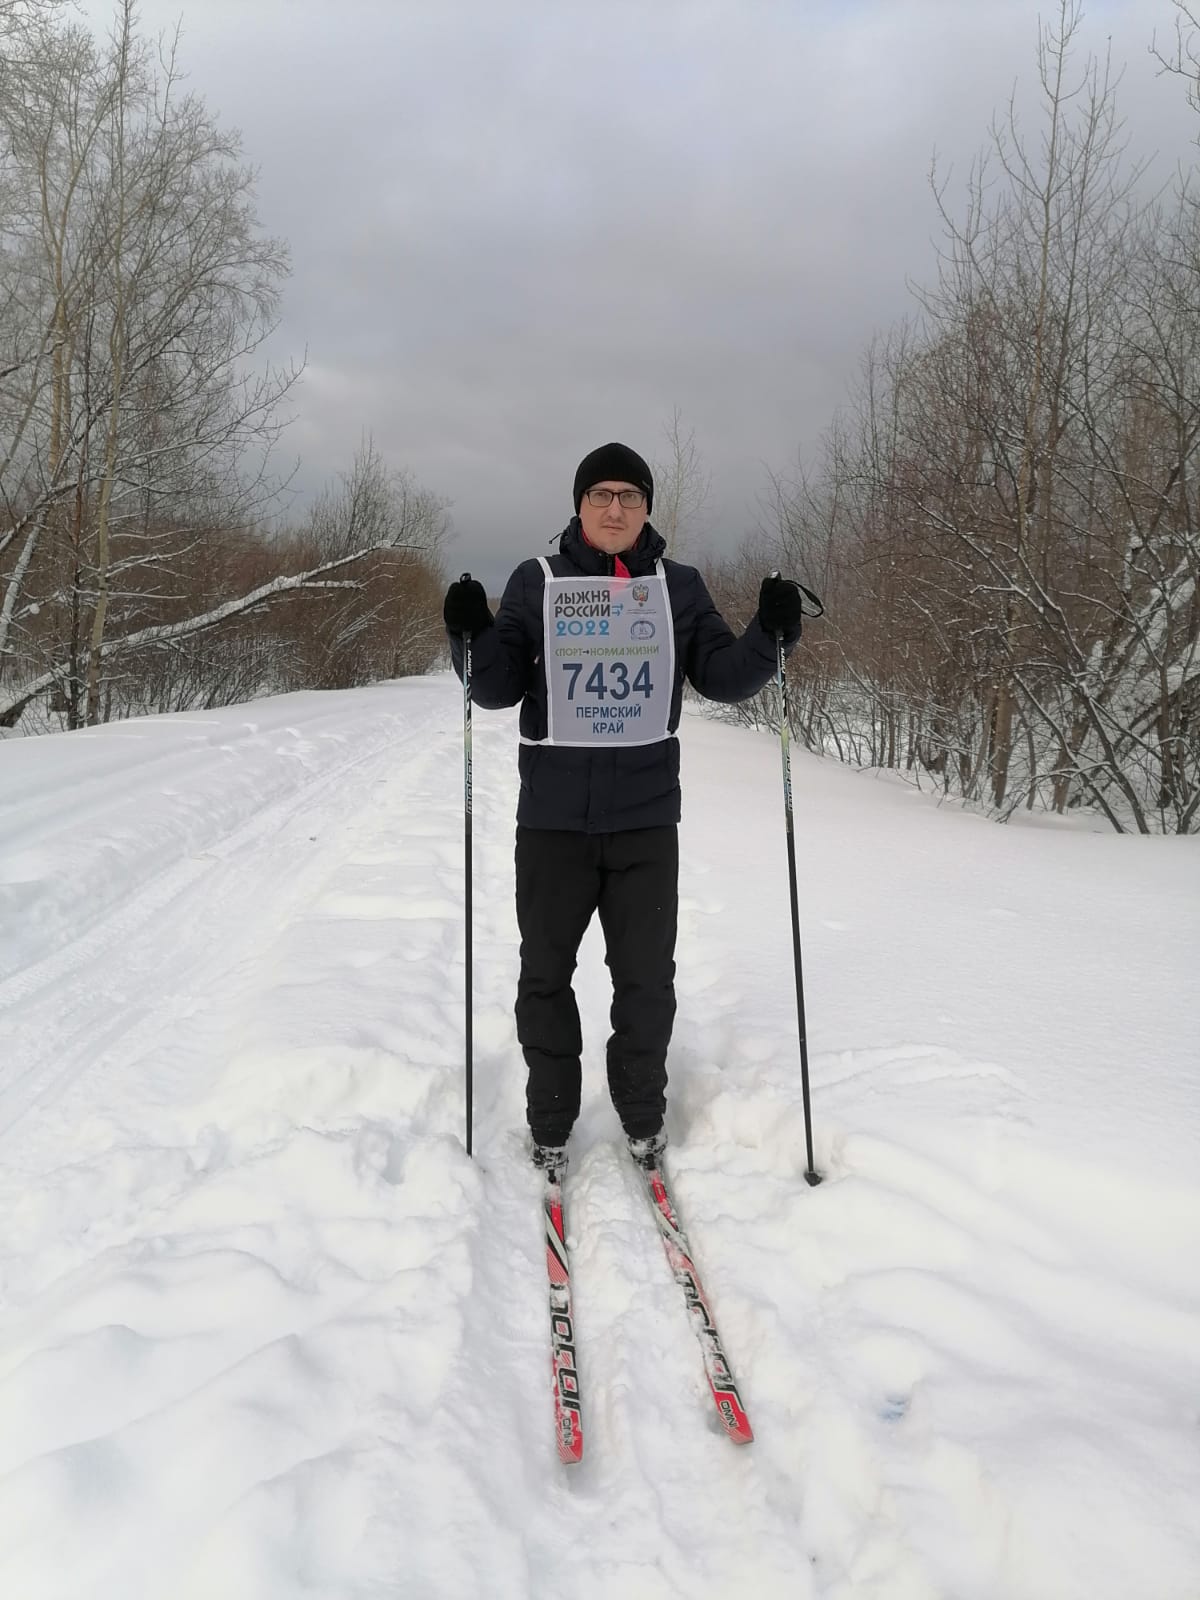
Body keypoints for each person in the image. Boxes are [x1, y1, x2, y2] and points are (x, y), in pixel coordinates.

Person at [444, 442, 806, 1174]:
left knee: (647, 978)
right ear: (578, 506)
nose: (615, 508)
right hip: (552, 823)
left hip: (644, 820)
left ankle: (642, 1112)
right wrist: (470, 637)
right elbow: (497, 686)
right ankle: (551, 1117)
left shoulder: (678, 586)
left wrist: (769, 639)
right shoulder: (536, 582)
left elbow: (721, 677)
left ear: (646, 510)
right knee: (544, 974)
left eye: (630, 497)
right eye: (601, 495)